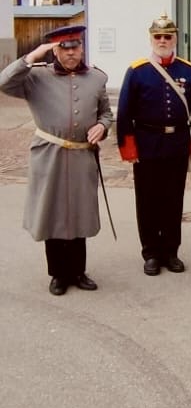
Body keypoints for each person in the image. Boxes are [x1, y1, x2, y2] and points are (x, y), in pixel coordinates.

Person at [0, 24, 112, 296]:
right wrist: (31, 57)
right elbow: (4, 82)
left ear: (82, 48)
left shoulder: (96, 78)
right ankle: (58, 274)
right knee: (53, 213)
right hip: (49, 154)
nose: (71, 52)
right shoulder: (36, 77)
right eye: (64, 47)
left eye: (75, 46)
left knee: (80, 213)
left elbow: (105, 112)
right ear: (54, 50)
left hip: (82, 154)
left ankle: (78, 271)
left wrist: (103, 126)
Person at [116, 13, 191, 275]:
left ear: (175, 39)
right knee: (147, 200)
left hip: (177, 143)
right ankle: (151, 253)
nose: (163, 40)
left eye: (168, 36)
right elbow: (124, 112)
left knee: (173, 200)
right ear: (151, 39)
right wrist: (128, 146)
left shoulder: (186, 70)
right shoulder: (137, 71)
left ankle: (171, 251)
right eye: (159, 36)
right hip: (146, 143)